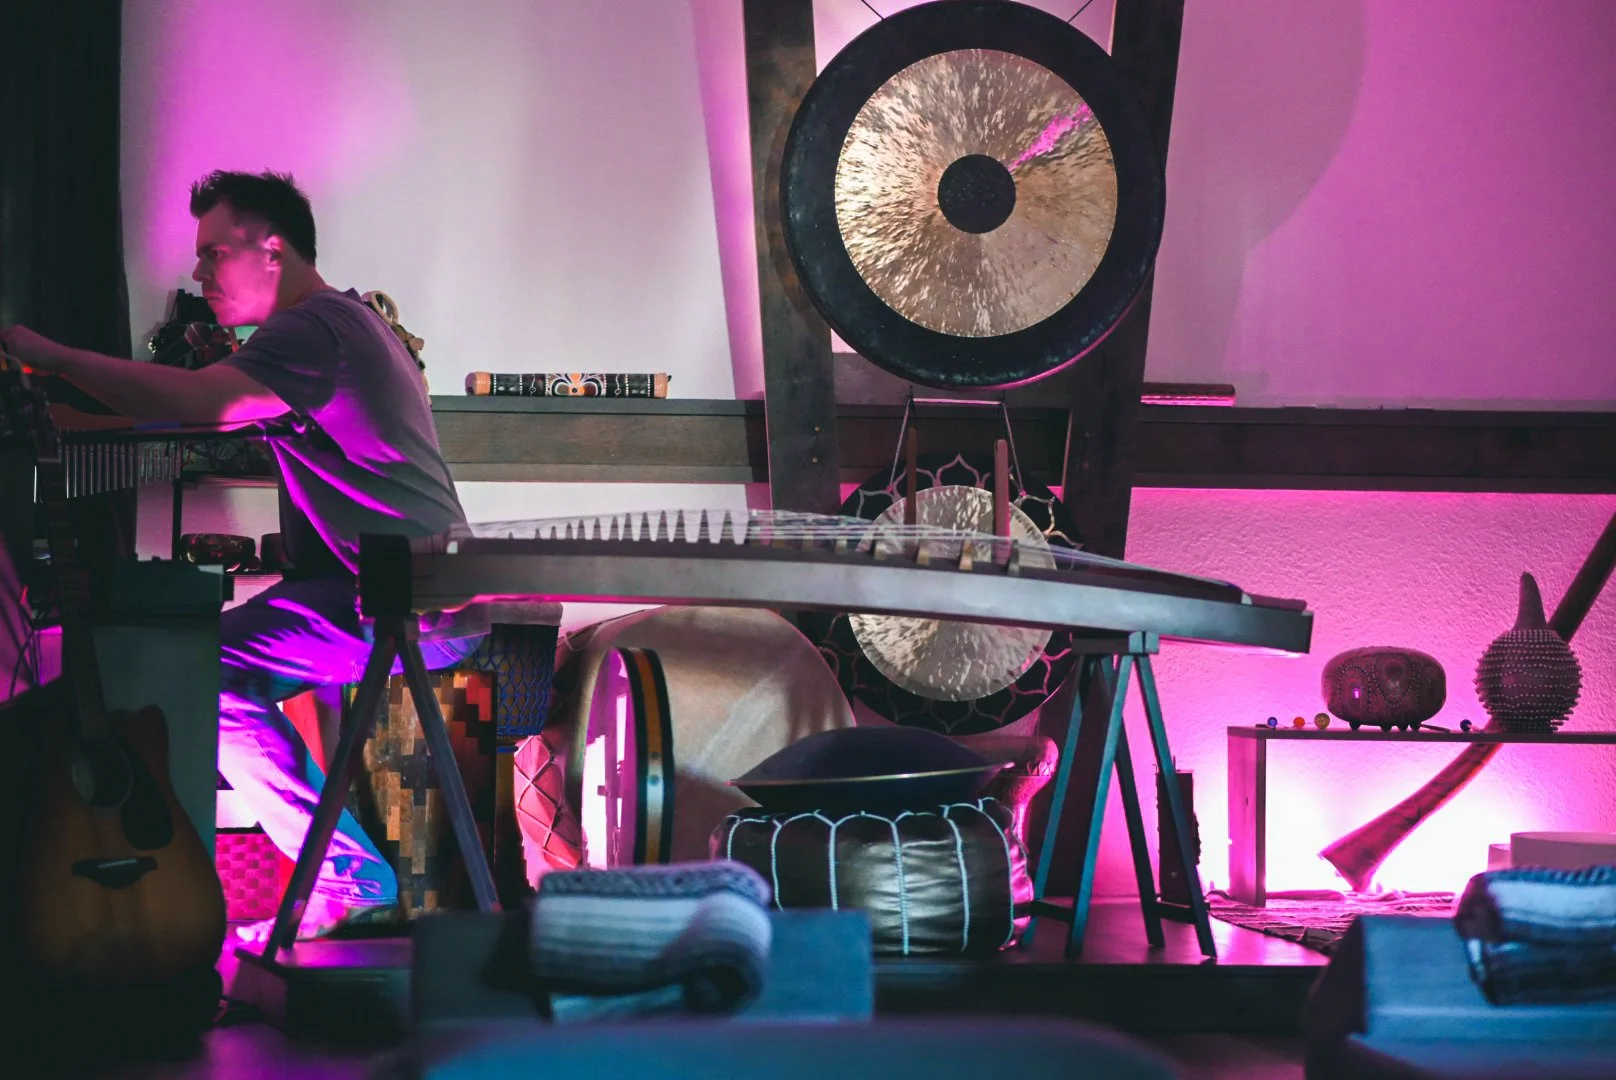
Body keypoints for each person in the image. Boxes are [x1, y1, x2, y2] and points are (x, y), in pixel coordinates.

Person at [0, 170, 477, 940]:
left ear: (272, 249)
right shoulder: (334, 329)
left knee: (207, 675)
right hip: (387, 584)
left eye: (213, 253)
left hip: (417, 593)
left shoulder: (316, 329)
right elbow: (195, 417)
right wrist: (62, 420)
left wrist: (56, 357)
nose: (198, 274)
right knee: (209, 669)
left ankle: (350, 884)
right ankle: (345, 882)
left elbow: (202, 406)